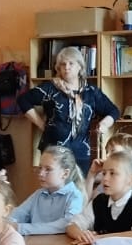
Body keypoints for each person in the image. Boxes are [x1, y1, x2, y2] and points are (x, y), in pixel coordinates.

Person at [17, 46, 119, 175]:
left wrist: (104, 124)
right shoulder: (50, 88)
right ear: (58, 68)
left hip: (81, 152)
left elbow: (113, 111)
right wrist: (41, 124)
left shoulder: (91, 92)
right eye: (63, 64)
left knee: (79, 187)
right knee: (54, 185)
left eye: (71, 63)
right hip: (53, 152)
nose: (66, 67)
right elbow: (23, 100)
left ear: (80, 66)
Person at [10, 145, 85, 236]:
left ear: (65, 174)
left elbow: (67, 224)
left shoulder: (74, 195)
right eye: (40, 168)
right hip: (35, 243)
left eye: (48, 169)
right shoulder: (38, 194)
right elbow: (17, 214)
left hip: (60, 244)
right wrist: (8, 223)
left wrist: (21, 228)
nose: (41, 174)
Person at [86, 131, 132, 201]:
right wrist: (92, 173)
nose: (107, 155)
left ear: (130, 153)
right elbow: (87, 202)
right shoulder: (106, 176)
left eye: (113, 151)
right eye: (107, 152)